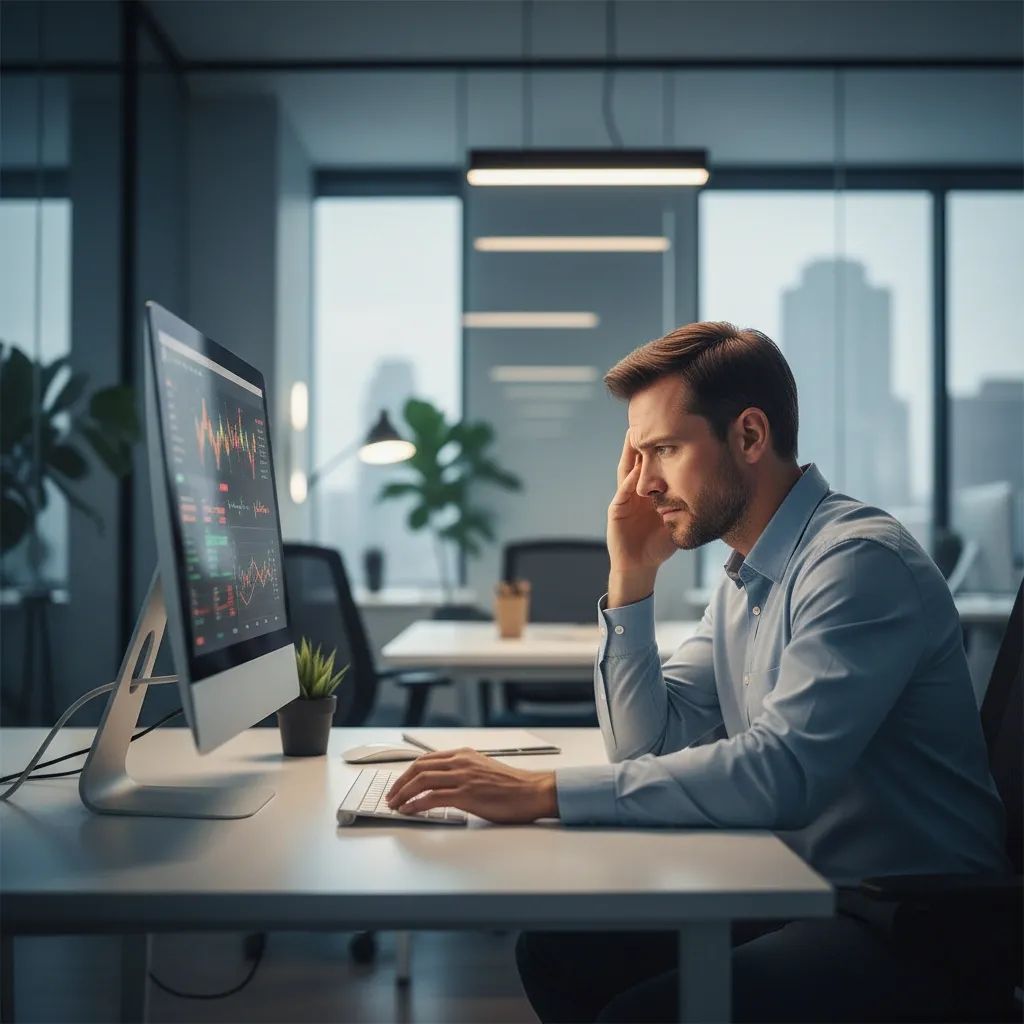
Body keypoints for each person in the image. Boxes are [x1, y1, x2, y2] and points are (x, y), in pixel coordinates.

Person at [385, 322, 1009, 1022]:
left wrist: (544, 791)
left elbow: (782, 776)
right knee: (556, 950)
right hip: (796, 886)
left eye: (664, 451)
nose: (643, 484)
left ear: (748, 437)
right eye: (640, 455)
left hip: (910, 920)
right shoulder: (745, 577)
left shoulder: (857, 563)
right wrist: (632, 574)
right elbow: (646, 744)